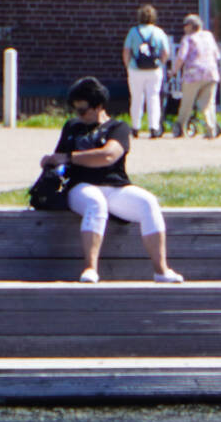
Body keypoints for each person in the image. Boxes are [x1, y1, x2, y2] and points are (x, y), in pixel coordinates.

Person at [42, 76, 182, 284]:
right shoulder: (72, 127)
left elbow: (108, 155)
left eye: (83, 110)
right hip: (80, 186)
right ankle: (90, 268)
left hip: (115, 186)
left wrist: (71, 157)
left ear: (98, 106)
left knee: (148, 202)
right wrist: (51, 161)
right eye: (75, 110)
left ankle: (161, 270)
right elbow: (59, 158)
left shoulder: (118, 128)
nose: (78, 115)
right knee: (95, 202)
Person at [123, 6, 173, 139]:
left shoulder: (133, 32)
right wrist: (161, 63)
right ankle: (154, 128)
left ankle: (135, 127)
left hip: (135, 69)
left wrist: (128, 65)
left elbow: (126, 50)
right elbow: (166, 52)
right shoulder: (159, 32)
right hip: (154, 69)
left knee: (136, 98)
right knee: (153, 97)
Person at [174, 14, 221, 140]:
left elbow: (181, 57)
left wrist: (174, 71)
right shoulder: (209, 36)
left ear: (190, 26)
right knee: (208, 103)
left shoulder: (188, 38)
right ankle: (211, 129)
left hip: (193, 74)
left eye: (185, 25)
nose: (184, 28)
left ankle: (181, 128)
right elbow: (217, 55)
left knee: (187, 103)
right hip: (211, 73)